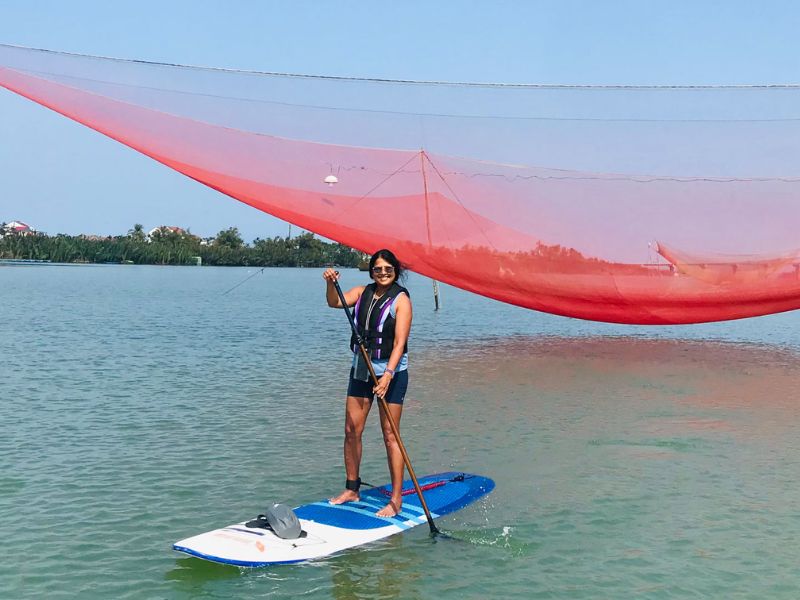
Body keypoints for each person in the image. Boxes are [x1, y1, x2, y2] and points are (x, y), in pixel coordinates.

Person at [322, 249, 412, 517]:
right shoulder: (362, 292)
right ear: (372, 271)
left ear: (395, 271)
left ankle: (396, 499)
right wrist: (330, 283)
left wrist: (388, 375)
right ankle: (352, 489)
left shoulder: (401, 300)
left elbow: (400, 343)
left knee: (390, 434)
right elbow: (334, 302)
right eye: (378, 269)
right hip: (362, 368)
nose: (383, 273)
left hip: (391, 372)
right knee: (352, 429)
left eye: (388, 269)